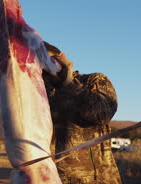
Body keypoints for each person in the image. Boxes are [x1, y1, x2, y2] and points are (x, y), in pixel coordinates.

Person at [42, 41, 122, 184]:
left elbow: (103, 114)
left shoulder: (93, 80)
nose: (43, 67)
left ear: (62, 57)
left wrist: (69, 84)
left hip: (96, 180)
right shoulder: (39, 95)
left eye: (46, 59)